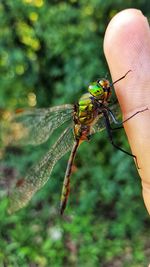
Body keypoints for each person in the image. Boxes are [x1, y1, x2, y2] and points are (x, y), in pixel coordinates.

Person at [104, 9, 150, 214]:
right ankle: (137, 159)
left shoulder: (99, 103)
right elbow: (116, 120)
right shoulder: (94, 108)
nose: (104, 88)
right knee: (114, 138)